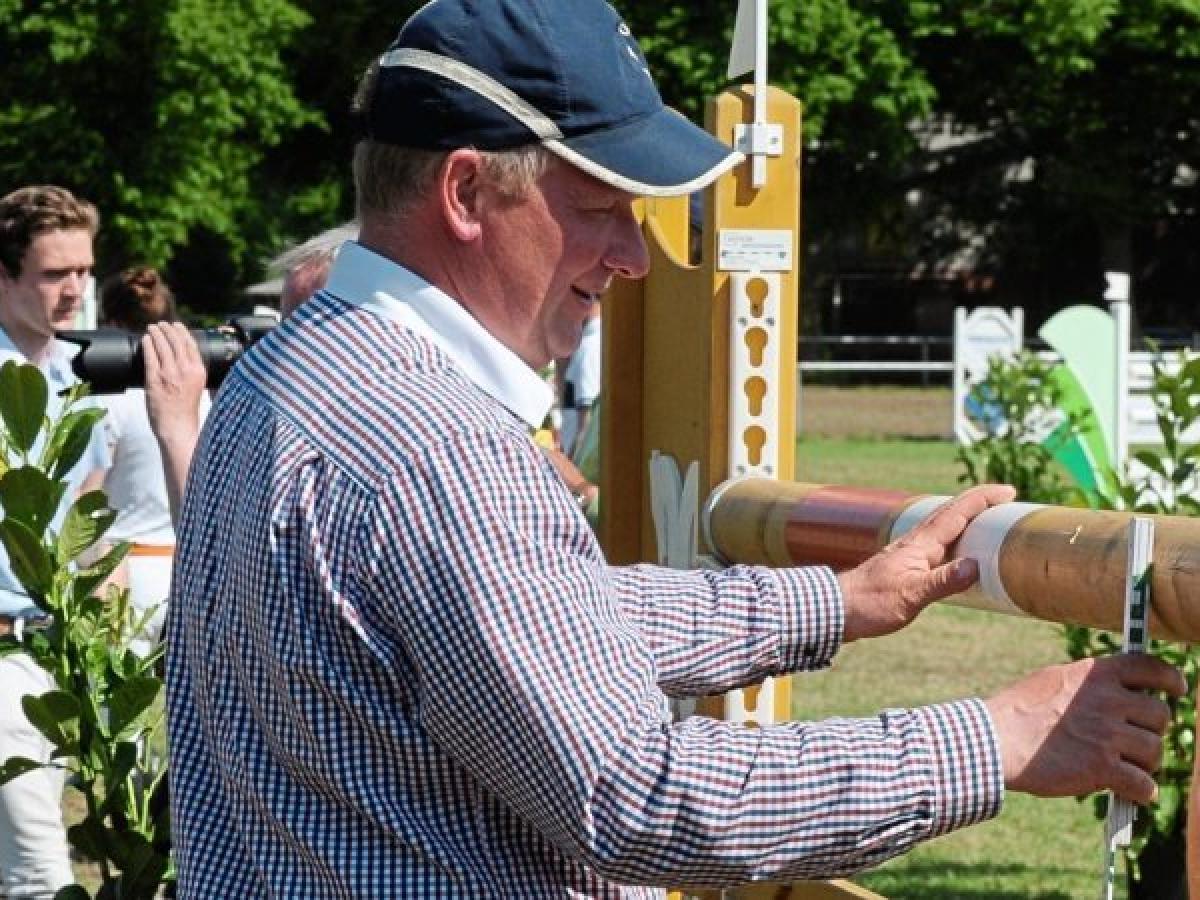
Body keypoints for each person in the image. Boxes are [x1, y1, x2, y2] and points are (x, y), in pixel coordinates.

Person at [165, 2, 1183, 896]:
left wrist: (836, 601)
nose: (633, 257)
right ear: (468, 194)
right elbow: (638, 795)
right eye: (602, 208)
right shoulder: (441, 452)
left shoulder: (281, 375)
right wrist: (995, 738)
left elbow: (517, 621)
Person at [0, 185, 111, 898]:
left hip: (58, 650)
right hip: (4, 652)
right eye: (53, 273)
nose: (74, 290)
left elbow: (91, 511)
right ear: (4, 275)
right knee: (40, 876)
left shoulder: (79, 380)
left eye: (83, 271)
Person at [95, 267, 209, 652]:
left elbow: (87, 499)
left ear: (110, 322)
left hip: (126, 573)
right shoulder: (201, 393)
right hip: (188, 568)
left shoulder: (108, 400)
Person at [557, 302, 601, 459]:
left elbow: (585, 425)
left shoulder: (588, 348)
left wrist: (570, 466)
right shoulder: (592, 343)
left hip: (576, 460)